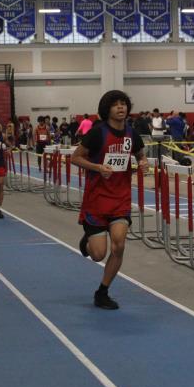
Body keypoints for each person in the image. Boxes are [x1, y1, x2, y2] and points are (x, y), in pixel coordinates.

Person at [71, 90, 145, 310]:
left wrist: (143, 162)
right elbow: (75, 157)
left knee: (119, 244)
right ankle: (87, 241)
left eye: (123, 103)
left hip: (120, 198)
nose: (121, 107)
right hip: (97, 200)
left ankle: (102, 292)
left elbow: (140, 154)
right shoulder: (97, 133)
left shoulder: (132, 134)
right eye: (115, 104)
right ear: (107, 109)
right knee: (98, 255)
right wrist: (97, 167)